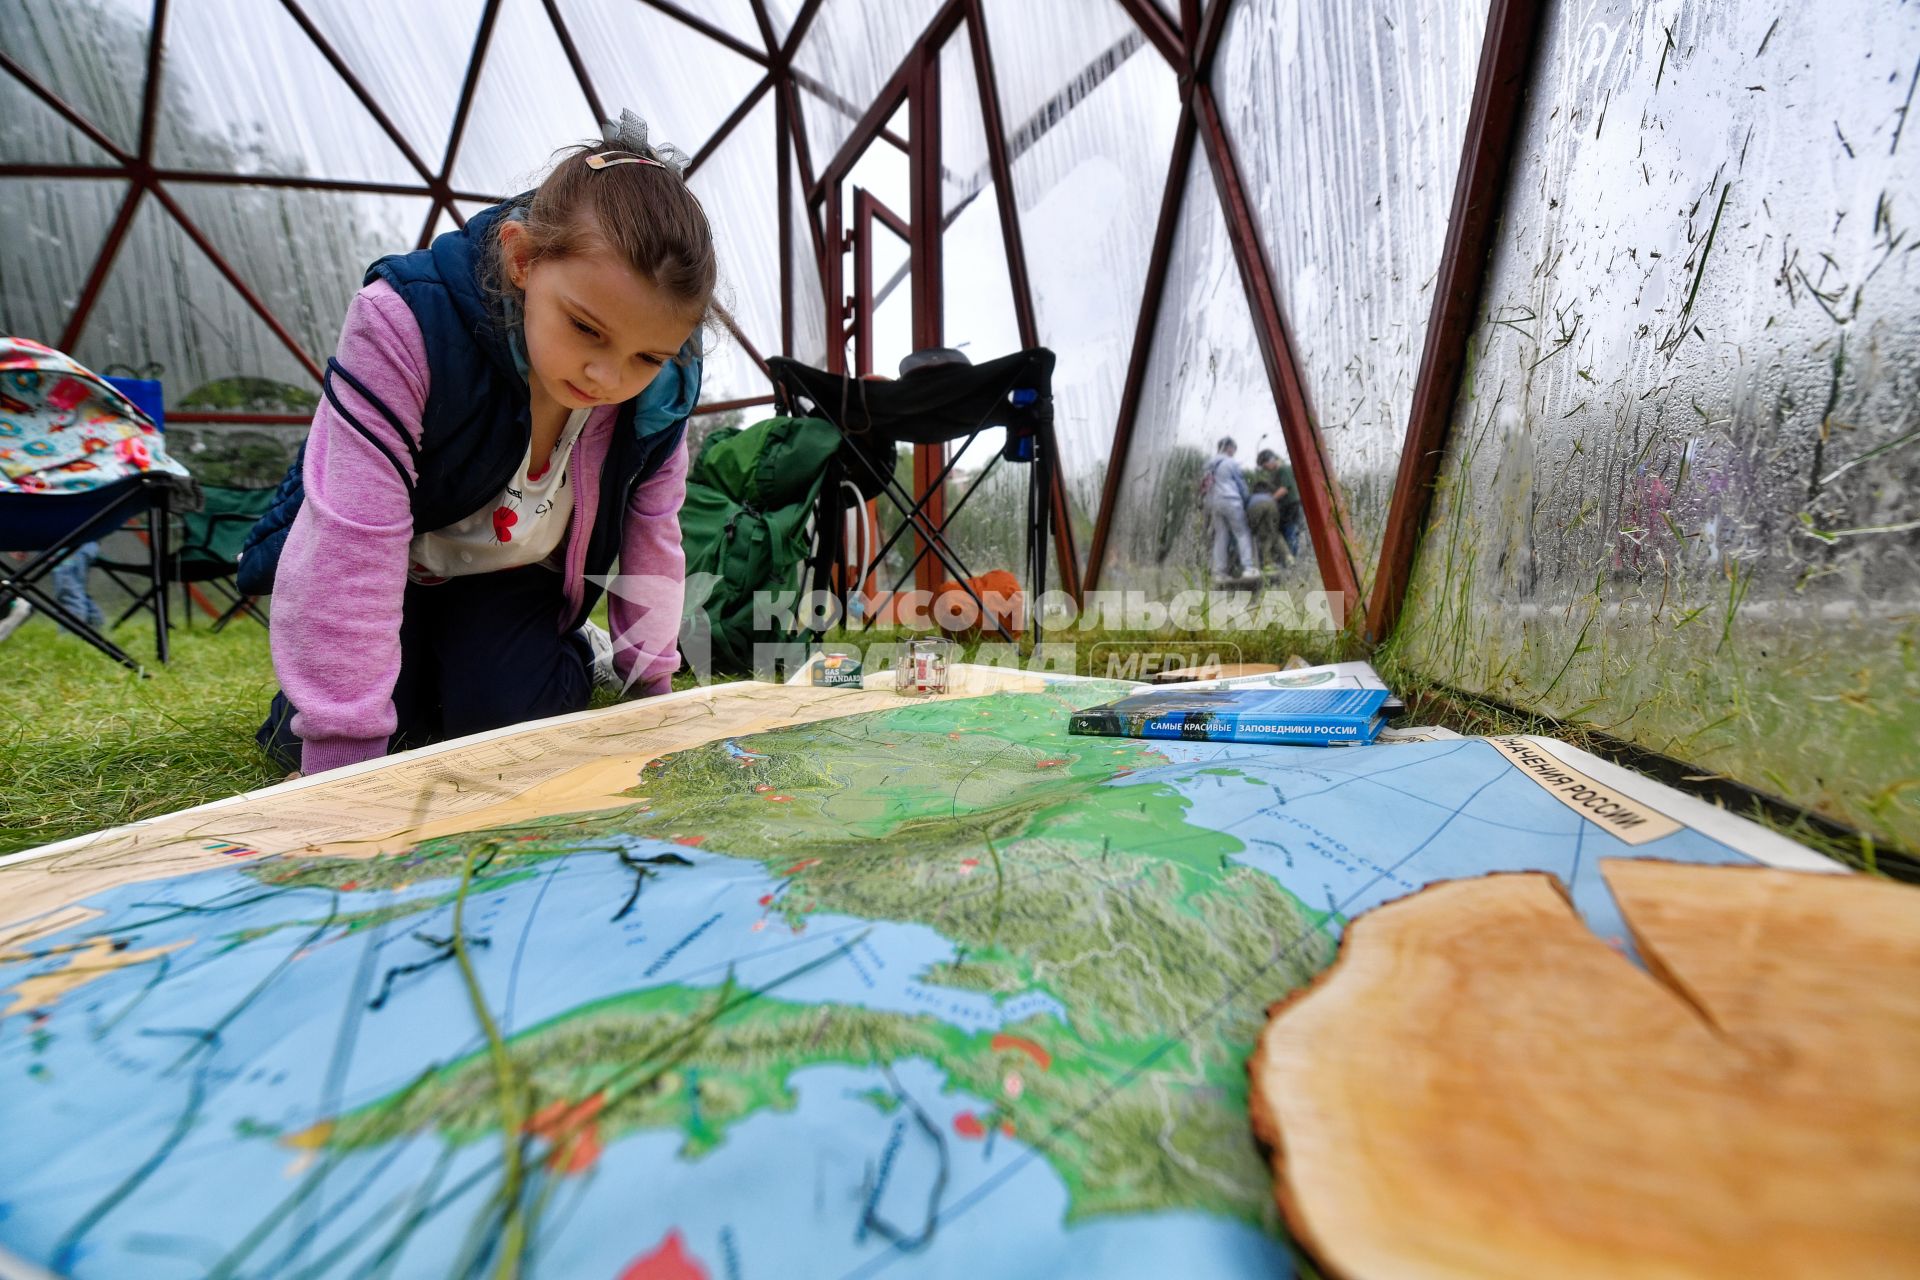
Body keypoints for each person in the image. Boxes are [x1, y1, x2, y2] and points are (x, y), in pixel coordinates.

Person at [253, 112, 715, 777]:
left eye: (646, 355)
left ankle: (570, 652)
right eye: (585, 328)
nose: (607, 378)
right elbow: (349, 539)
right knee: (317, 736)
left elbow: (654, 542)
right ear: (522, 258)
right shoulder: (404, 321)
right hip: (397, 569)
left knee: (500, 728)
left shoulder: (659, 398)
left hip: (515, 581)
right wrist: (340, 753)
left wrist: (650, 693)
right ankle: (409, 673)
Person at [1203, 436, 1257, 583]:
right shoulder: (1230, 463)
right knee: (1242, 533)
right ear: (1229, 448)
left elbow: (1205, 486)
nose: (1234, 452)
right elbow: (1241, 485)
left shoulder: (1209, 464)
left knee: (1221, 536)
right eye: (1234, 449)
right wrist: (1247, 501)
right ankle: (1248, 568)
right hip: (1231, 500)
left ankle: (1219, 573)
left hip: (1215, 503)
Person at [1246, 448, 1299, 568]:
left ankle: (1292, 561)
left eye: (1265, 466)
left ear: (1271, 460)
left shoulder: (1283, 470)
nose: (1266, 469)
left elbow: (1284, 489)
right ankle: (1287, 559)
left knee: (1290, 532)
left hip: (1291, 506)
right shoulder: (1275, 473)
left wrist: (1270, 499)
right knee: (1278, 533)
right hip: (1281, 507)